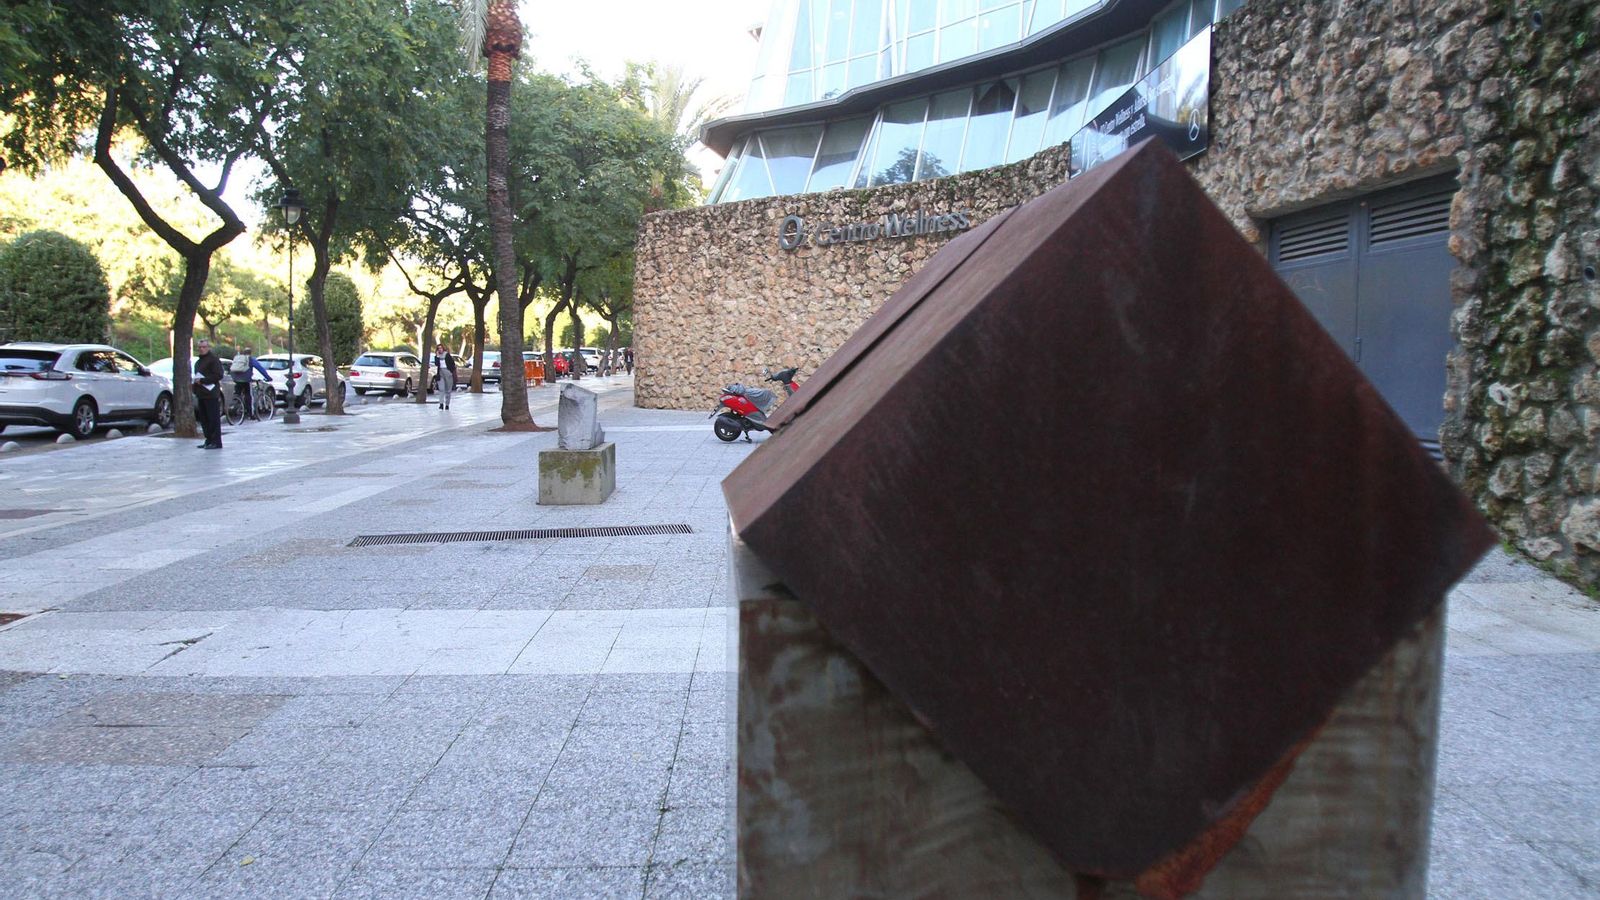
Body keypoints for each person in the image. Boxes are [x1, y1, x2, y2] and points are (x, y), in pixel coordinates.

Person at [193, 338, 225, 449]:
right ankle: (208, 439)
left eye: (204, 347)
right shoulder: (198, 362)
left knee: (213, 419)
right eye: (200, 347)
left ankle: (216, 441)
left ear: (208, 348)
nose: (201, 349)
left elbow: (218, 375)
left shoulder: (213, 360)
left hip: (211, 394)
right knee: (204, 419)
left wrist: (203, 380)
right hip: (201, 393)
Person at [229, 347, 272, 420]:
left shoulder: (238, 358)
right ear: (250, 353)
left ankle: (233, 407)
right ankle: (251, 414)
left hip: (235, 379)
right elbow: (260, 369)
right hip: (246, 380)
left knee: (237, 393)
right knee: (249, 396)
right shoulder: (251, 359)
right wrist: (268, 377)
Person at [432, 343, 456, 409]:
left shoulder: (447, 355)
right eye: (438, 348)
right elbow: (437, 364)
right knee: (441, 389)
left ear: (443, 348)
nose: (440, 350)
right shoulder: (437, 356)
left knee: (448, 390)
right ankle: (441, 403)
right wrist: (437, 356)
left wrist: (451, 371)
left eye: (441, 348)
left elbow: (452, 364)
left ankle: (447, 404)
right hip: (440, 373)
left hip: (447, 373)